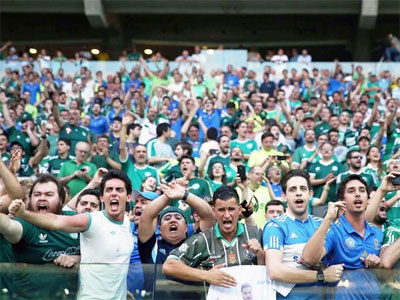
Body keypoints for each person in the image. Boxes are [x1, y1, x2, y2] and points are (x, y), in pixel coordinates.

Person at [9, 169, 134, 300]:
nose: (114, 194)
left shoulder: (126, 222)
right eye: (109, 190)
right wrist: (24, 214)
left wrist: (123, 291)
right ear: (102, 197)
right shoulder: (92, 220)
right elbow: (56, 221)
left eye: (119, 190)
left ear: (128, 196)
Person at [263, 169, 343, 300]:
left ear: (310, 194)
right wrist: (320, 275)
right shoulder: (275, 225)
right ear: (284, 196)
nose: (298, 193)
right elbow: (275, 271)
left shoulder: (322, 224)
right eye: (293, 189)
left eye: (303, 189)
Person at [162, 186, 264, 287]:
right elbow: (169, 266)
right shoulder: (203, 239)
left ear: (239, 209)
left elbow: (272, 271)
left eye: (231, 209)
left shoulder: (257, 233)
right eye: (221, 210)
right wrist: (206, 275)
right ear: (214, 212)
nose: (227, 215)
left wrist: (260, 255)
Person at [302, 175, 384, 299]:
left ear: (368, 199)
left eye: (362, 190)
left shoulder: (377, 232)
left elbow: (384, 272)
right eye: (351, 191)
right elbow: (308, 258)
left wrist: (378, 265)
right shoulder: (334, 231)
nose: (357, 194)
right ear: (341, 200)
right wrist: (328, 218)